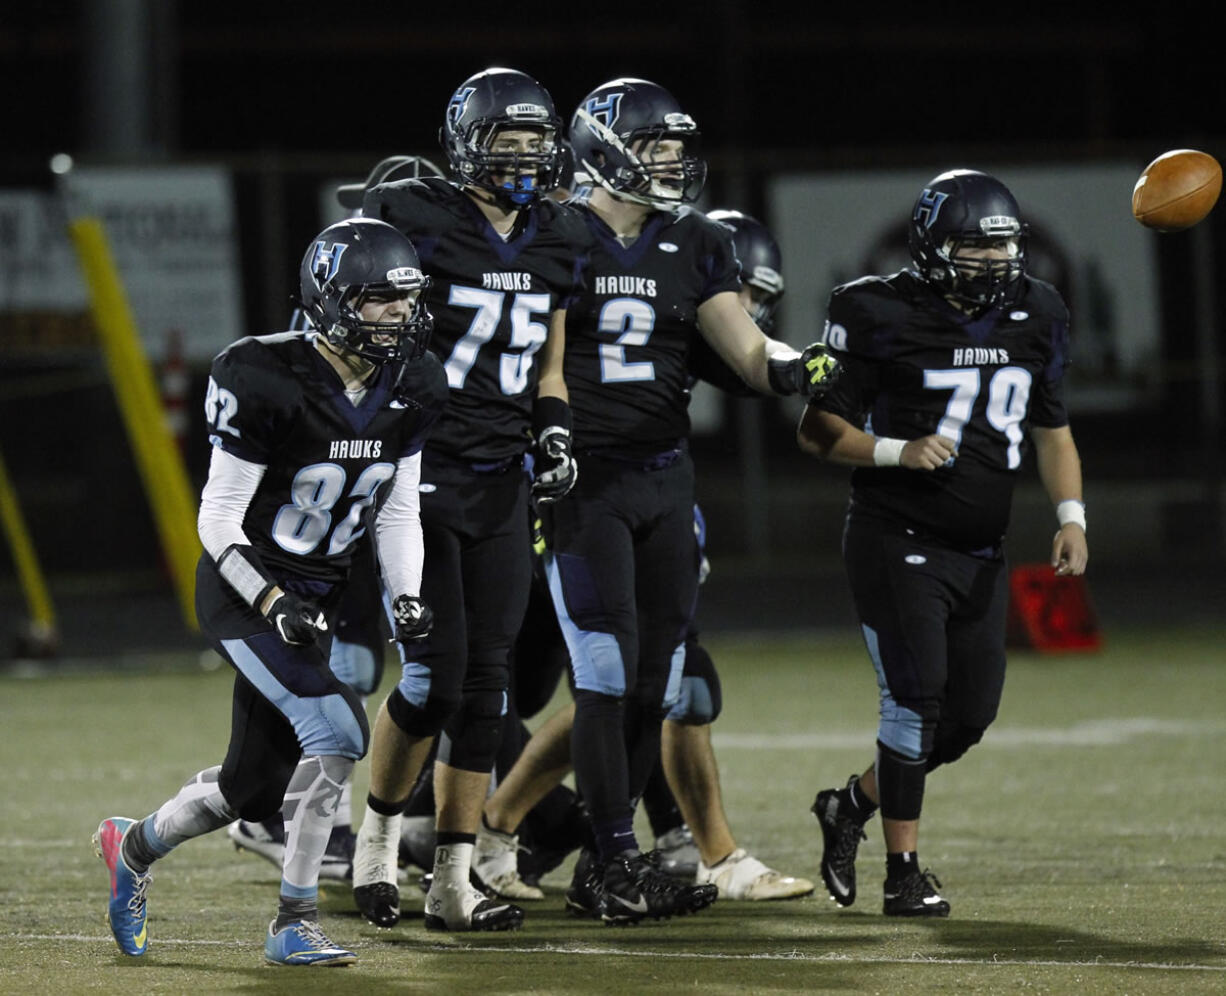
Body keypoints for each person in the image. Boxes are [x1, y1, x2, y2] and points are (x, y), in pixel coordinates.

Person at [92, 217, 447, 966]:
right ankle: (293, 920)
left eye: (406, 299)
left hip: (320, 588)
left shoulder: (415, 380)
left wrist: (406, 596)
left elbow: (400, 506)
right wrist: (272, 603)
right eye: (381, 299)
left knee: (250, 790)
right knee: (339, 731)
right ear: (334, 300)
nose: (400, 315)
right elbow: (218, 520)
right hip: (245, 587)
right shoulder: (263, 374)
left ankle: (133, 847)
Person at [541, 77, 838, 925]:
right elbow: (545, 363)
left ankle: (601, 866)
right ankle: (608, 859)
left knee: (650, 681)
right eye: (654, 149)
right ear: (601, 146)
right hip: (583, 478)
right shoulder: (559, 235)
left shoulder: (697, 241)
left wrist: (797, 367)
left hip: (664, 478)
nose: (670, 164)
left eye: (676, 150)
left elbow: (747, 352)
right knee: (601, 674)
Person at [472, 210, 815, 904]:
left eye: (755, 297)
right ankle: (500, 831)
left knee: (663, 686)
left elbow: (751, 359)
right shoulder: (597, 261)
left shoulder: (687, 291)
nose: (745, 308)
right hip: (569, 503)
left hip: (644, 502)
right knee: (574, 682)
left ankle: (644, 849)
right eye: (739, 290)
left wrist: (794, 366)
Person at [798, 169, 1088, 917]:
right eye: (974, 248)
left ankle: (849, 805)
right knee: (914, 702)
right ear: (931, 246)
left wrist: (1072, 515)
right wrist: (898, 450)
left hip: (981, 549)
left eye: (1003, 248)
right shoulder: (874, 309)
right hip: (896, 535)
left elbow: (1052, 429)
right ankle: (904, 873)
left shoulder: (1039, 310)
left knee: (965, 721)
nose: (994, 263)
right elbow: (817, 430)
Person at [350, 66, 588, 933]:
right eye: (506, 141)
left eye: (536, 142)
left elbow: (549, 364)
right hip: (419, 474)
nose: (523, 158)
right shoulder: (417, 221)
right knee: (433, 675)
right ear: (463, 145)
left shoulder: (562, 235)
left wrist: (554, 431)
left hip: (502, 479)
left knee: (488, 689)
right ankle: (374, 842)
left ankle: (454, 877)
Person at [226, 153, 447, 884]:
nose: (400, 310)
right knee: (344, 679)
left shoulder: (411, 357)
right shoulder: (303, 350)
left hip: (363, 524)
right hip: (291, 551)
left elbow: (399, 496)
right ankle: (330, 836)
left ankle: (356, 824)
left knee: (427, 674)